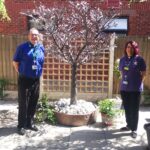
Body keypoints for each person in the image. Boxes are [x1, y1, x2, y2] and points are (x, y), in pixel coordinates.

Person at [13, 28, 45, 135]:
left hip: (36, 80)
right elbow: (15, 62)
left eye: (36, 35)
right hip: (24, 79)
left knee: (33, 102)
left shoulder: (41, 47)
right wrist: (21, 72)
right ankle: (21, 125)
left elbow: (41, 62)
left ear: (38, 36)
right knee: (23, 103)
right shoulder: (21, 47)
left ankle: (29, 123)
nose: (34, 37)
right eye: (32, 34)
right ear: (28, 36)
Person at [119, 40, 146, 138]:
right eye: (127, 47)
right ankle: (128, 125)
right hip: (124, 89)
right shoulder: (122, 59)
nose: (128, 49)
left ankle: (134, 129)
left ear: (135, 49)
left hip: (135, 89)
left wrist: (138, 84)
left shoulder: (139, 60)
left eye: (131, 47)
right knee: (127, 108)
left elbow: (143, 74)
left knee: (134, 109)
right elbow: (122, 73)